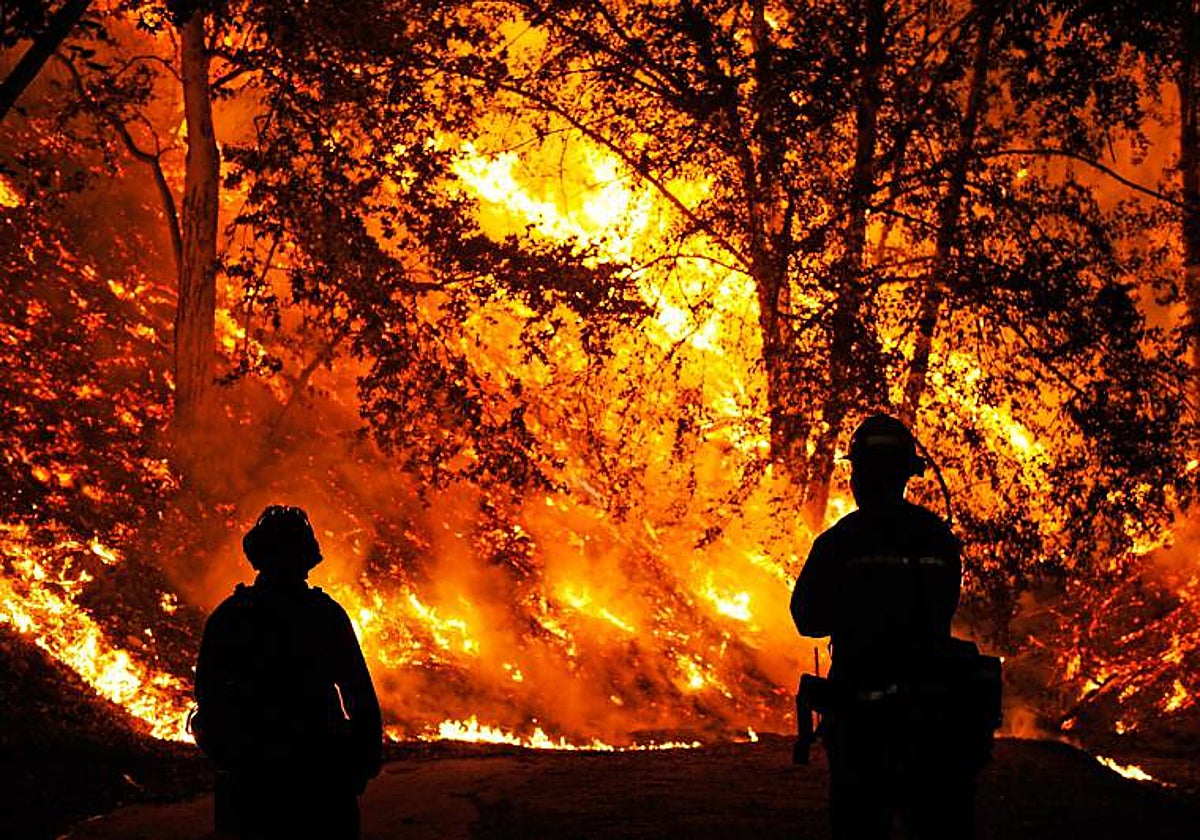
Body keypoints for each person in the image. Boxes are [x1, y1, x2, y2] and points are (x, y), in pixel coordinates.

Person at [791, 414, 979, 840]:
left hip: (860, 718)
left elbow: (807, 619)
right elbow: (944, 608)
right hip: (930, 715)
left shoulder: (840, 541)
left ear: (859, 475)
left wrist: (853, 611)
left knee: (859, 823)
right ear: (904, 477)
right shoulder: (937, 538)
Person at [193, 505, 382, 840]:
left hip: (253, 780)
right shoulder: (325, 615)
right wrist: (362, 762)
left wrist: (228, 755)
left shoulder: (230, 616)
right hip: (319, 779)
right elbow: (359, 696)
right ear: (308, 558)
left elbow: (208, 699)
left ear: (256, 556)